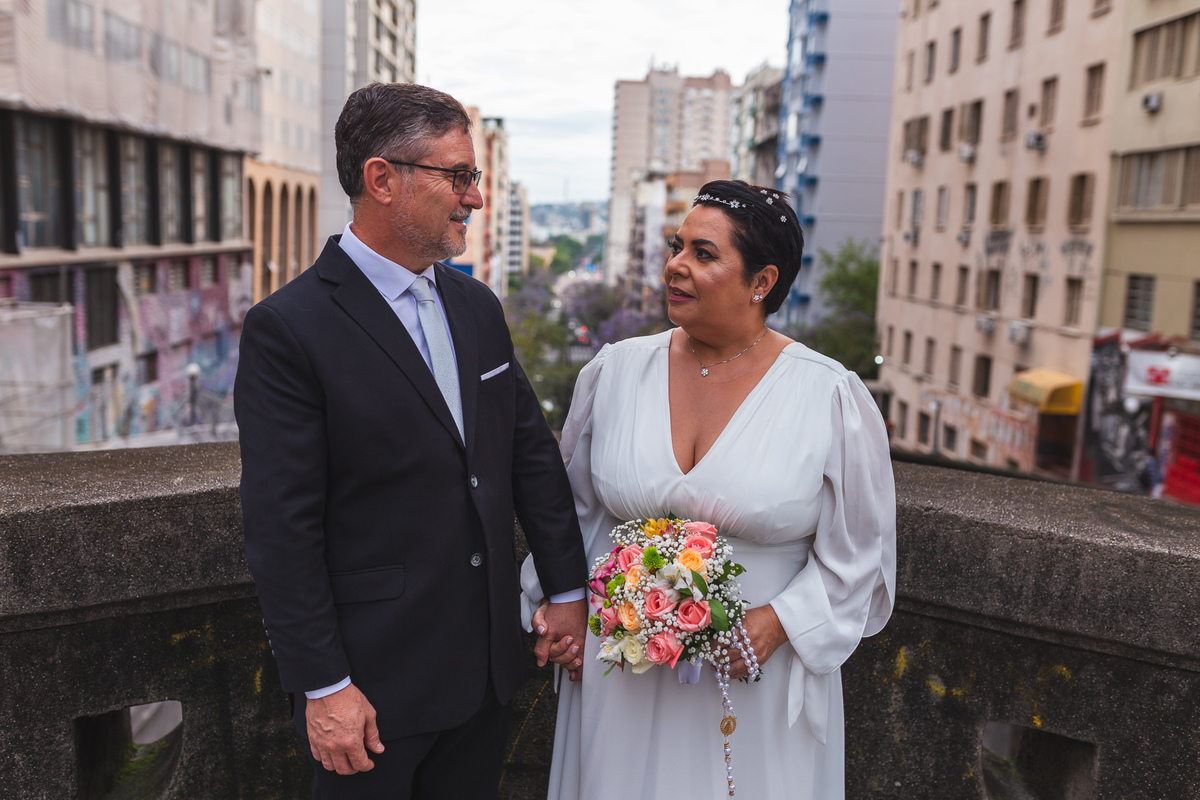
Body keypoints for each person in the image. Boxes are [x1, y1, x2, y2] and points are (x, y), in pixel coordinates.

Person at [235, 82, 589, 800]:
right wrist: (325, 686)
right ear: (382, 180)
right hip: (369, 696)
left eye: (476, 178)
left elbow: (528, 455)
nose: (475, 197)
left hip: (485, 675)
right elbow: (281, 527)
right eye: (458, 177)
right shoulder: (289, 328)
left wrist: (568, 588)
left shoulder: (476, 305)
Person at [522, 180, 896, 799]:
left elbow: (861, 557)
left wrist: (779, 622)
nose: (676, 265)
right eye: (676, 247)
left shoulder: (828, 395)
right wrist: (559, 604)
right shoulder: (614, 373)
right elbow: (576, 513)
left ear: (761, 281)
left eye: (703, 253)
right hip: (625, 672)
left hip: (753, 681)